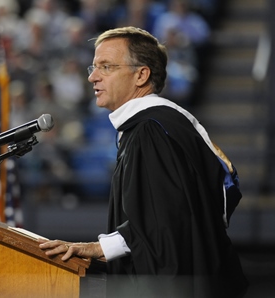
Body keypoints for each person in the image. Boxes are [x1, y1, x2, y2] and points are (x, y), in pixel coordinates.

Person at [38, 26, 248, 298]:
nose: (92, 77)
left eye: (106, 67)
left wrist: (100, 248)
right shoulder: (158, 126)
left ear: (141, 75)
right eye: (93, 66)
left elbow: (164, 222)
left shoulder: (151, 131)